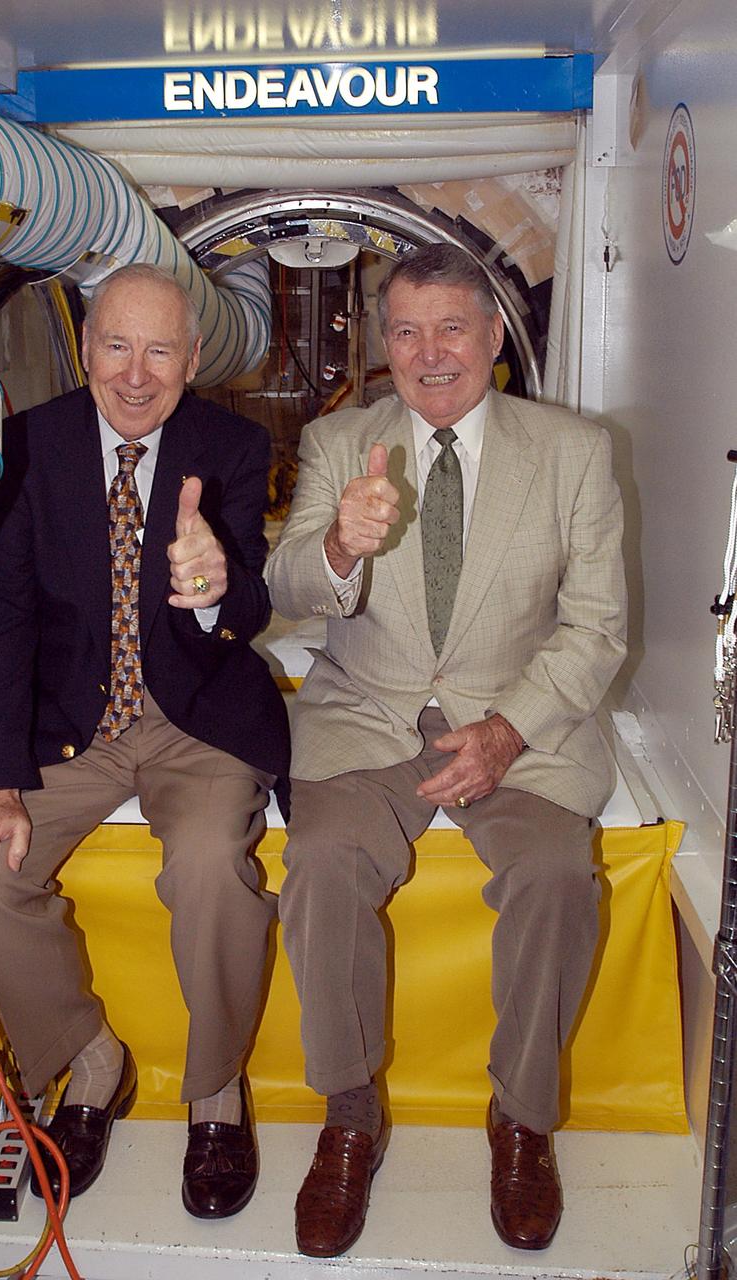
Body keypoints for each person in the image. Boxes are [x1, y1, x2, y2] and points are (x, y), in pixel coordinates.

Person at [265, 242, 627, 1256]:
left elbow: (598, 627)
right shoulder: (340, 438)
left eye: (452, 327)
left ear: (495, 334)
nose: (430, 353)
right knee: (323, 863)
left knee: (559, 872)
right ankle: (350, 1111)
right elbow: (286, 583)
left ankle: (522, 1116)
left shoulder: (576, 450)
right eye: (408, 330)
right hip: (368, 710)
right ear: (384, 343)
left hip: (517, 714)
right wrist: (337, 545)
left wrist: (509, 729)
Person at [0, 262, 290, 1218]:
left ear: (195, 357)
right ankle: (88, 1058)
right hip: (71, 725)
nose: (137, 375)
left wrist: (217, 588)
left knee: (214, 865)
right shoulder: (20, 448)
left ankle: (216, 1085)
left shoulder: (231, 444)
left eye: (161, 350)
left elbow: (249, 605)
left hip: (198, 718)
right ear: (85, 348)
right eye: (117, 346)